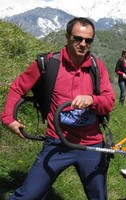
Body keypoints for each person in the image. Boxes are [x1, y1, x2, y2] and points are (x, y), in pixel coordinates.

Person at [0, 17, 115, 200]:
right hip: (57, 143)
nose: (83, 44)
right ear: (67, 37)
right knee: (27, 196)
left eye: (88, 40)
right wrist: (8, 118)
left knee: (99, 197)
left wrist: (92, 99)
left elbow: (109, 102)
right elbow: (17, 87)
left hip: (91, 145)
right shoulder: (48, 63)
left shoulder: (97, 66)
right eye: (77, 38)